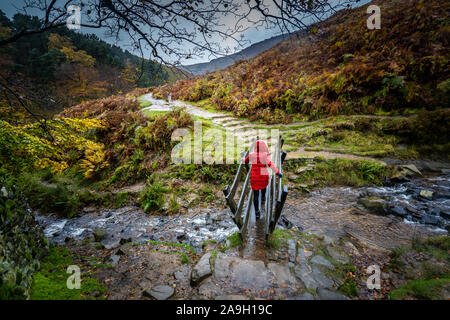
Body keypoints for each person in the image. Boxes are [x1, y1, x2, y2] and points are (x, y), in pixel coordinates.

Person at [243, 140, 283, 219]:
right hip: (263, 175)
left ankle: (257, 212)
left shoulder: (251, 155)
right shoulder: (265, 155)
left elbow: (245, 161)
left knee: (256, 195)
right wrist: (278, 172)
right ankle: (263, 197)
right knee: (264, 186)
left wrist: (242, 159)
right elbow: (270, 164)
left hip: (255, 176)